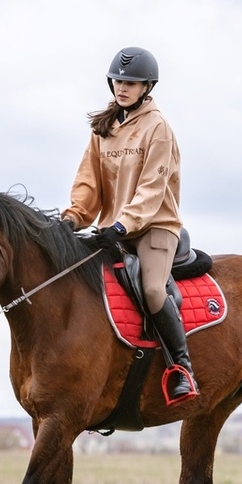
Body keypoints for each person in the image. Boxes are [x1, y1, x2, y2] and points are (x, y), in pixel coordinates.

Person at [60, 46, 198, 404]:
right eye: (119, 81)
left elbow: (153, 189)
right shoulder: (102, 129)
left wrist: (122, 226)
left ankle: (181, 368)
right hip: (114, 228)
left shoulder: (158, 129)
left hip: (155, 227)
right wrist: (74, 216)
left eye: (131, 83)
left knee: (153, 290)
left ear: (146, 87)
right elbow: (88, 182)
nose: (123, 88)